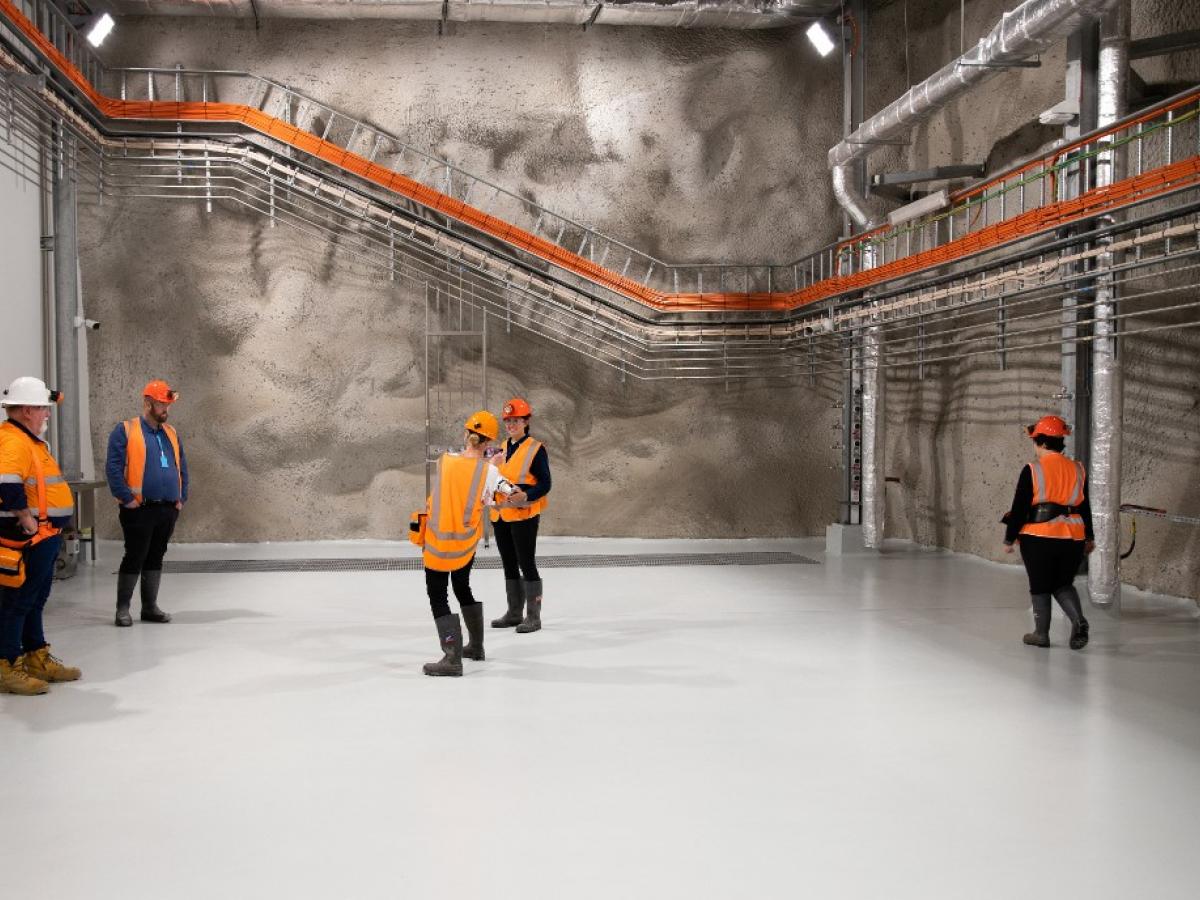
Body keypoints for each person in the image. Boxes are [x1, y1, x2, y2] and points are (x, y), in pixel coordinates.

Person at [414, 410, 514, 677]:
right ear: (490, 443)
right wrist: (496, 469)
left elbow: (458, 469)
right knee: (461, 587)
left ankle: (452, 658)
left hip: (437, 542)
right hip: (465, 544)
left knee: (438, 595)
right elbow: (510, 493)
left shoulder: (444, 461)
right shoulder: (490, 472)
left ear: (466, 434)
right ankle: (476, 647)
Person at [0, 376, 81, 695]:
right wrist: (24, 517)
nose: (47, 415)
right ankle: (7, 665)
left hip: (44, 536)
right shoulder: (13, 440)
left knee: (34, 600)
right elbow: (6, 481)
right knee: (17, 602)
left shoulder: (29, 440)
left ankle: (35, 656)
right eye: (42, 409)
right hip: (28, 537)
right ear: (25, 410)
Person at [1003, 415, 1093, 650]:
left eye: (1034, 441)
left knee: (1040, 584)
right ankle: (1078, 621)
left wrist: (1010, 537)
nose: (1034, 446)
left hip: (1039, 536)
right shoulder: (1077, 468)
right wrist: (1090, 537)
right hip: (1073, 536)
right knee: (1063, 583)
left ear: (1042, 443)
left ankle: (1041, 634)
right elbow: (1085, 505)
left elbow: (1020, 507)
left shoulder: (1033, 469)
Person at [105, 380, 188, 627]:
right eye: (162, 404)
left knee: (156, 556)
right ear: (148, 403)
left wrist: (181, 498)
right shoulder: (125, 430)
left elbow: (181, 466)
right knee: (135, 555)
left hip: (167, 508)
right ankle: (122, 610)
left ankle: (150, 607)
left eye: (168, 405)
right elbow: (113, 467)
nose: (166, 410)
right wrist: (126, 498)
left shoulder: (170, 433)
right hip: (139, 509)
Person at [489, 397, 551, 634]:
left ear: (526, 421)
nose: (511, 425)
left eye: (516, 420)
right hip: (501, 517)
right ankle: (514, 613)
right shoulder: (502, 448)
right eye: (508, 421)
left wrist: (525, 496)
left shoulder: (536, 449)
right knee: (508, 565)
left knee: (527, 563)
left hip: (524, 516)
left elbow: (545, 484)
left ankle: (533, 617)